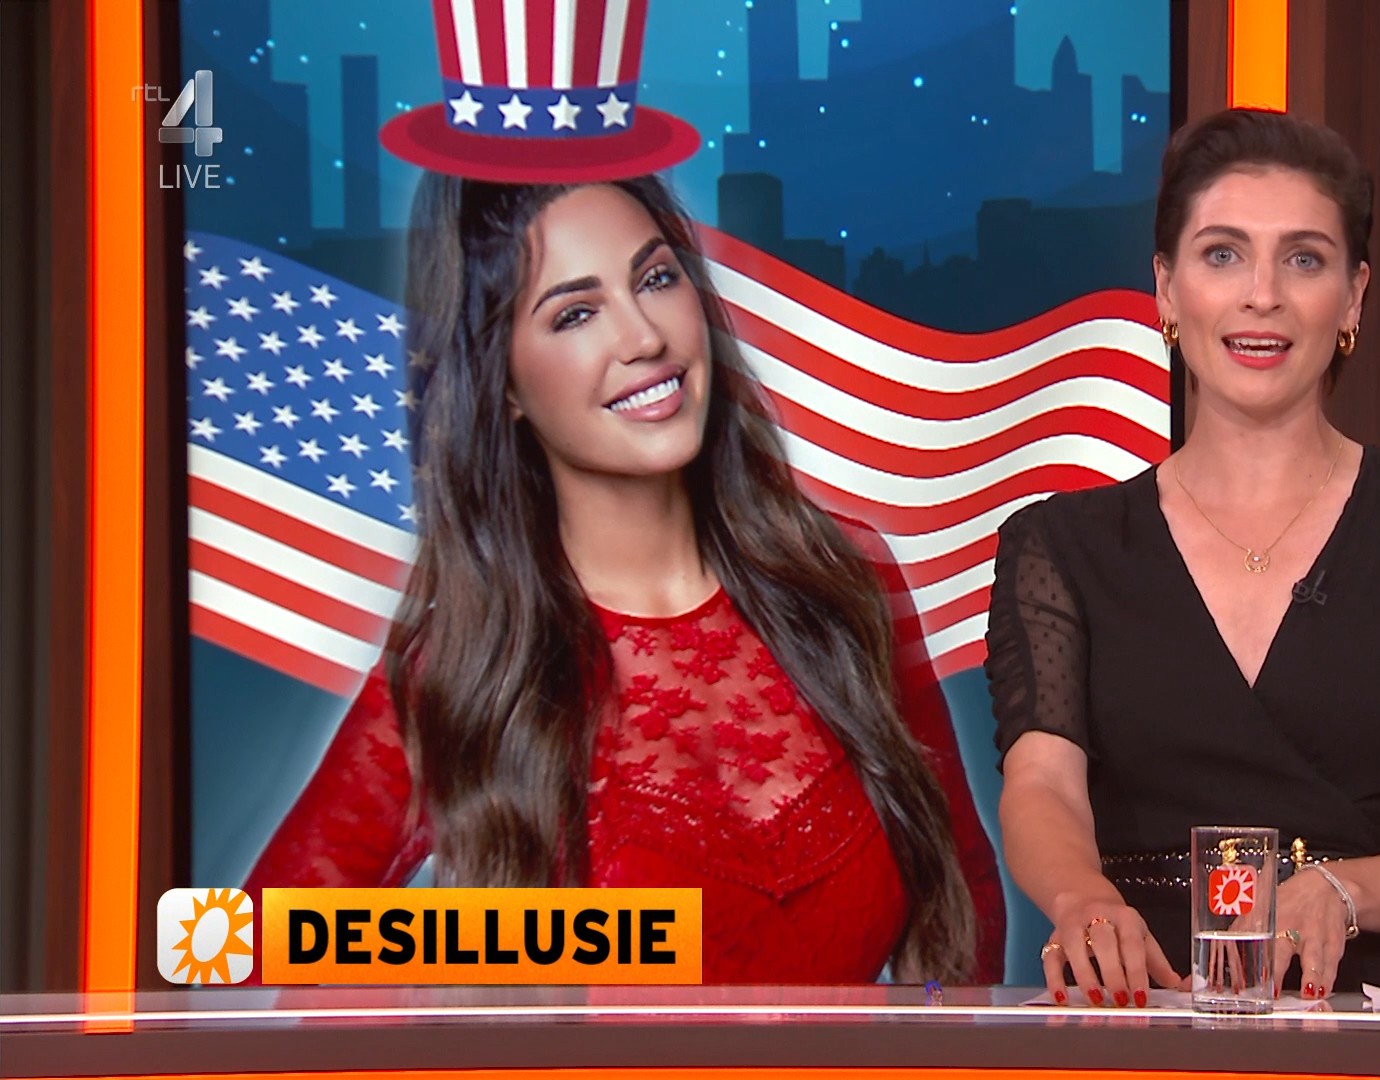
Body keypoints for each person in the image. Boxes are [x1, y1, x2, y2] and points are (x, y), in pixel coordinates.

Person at [245, 0, 1004, 985]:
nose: (644, 337)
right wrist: (509, 971)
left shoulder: (844, 576)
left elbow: (964, 903)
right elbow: (244, 948)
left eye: (655, 279)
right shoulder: (462, 667)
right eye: (574, 314)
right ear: (501, 384)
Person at [986, 108, 1380, 1005]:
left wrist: (1344, 890)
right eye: (1222, 255)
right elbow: (1042, 785)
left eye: (1304, 259)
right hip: (1142, 1015)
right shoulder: (1061, 547)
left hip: (1372, 1025)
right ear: (1166, 289)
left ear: (1354, 296)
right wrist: (1080, 897)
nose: (1263, 295)